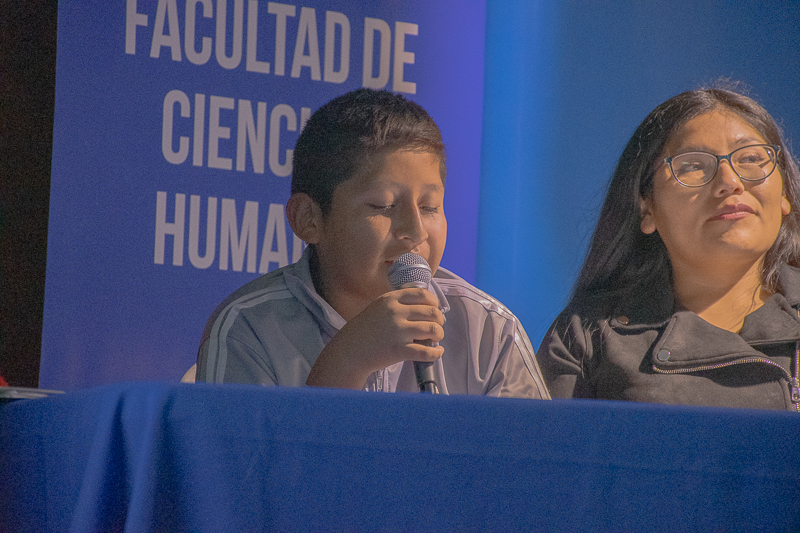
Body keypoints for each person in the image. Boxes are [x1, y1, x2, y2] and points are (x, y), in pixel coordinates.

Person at [196, 88, 549, 399]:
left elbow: (539, 453)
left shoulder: (489, 331)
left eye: (429, 207)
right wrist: (347, 361)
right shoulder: (249, 329)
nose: (415, 230)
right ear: (309, 219)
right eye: (382, 206)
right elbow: (246, 458)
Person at [538, 84, 800, 411]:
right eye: (692, 166)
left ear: (784, 193)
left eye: (750, 158)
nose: (730, 182)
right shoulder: (588, 336)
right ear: (647, 209)